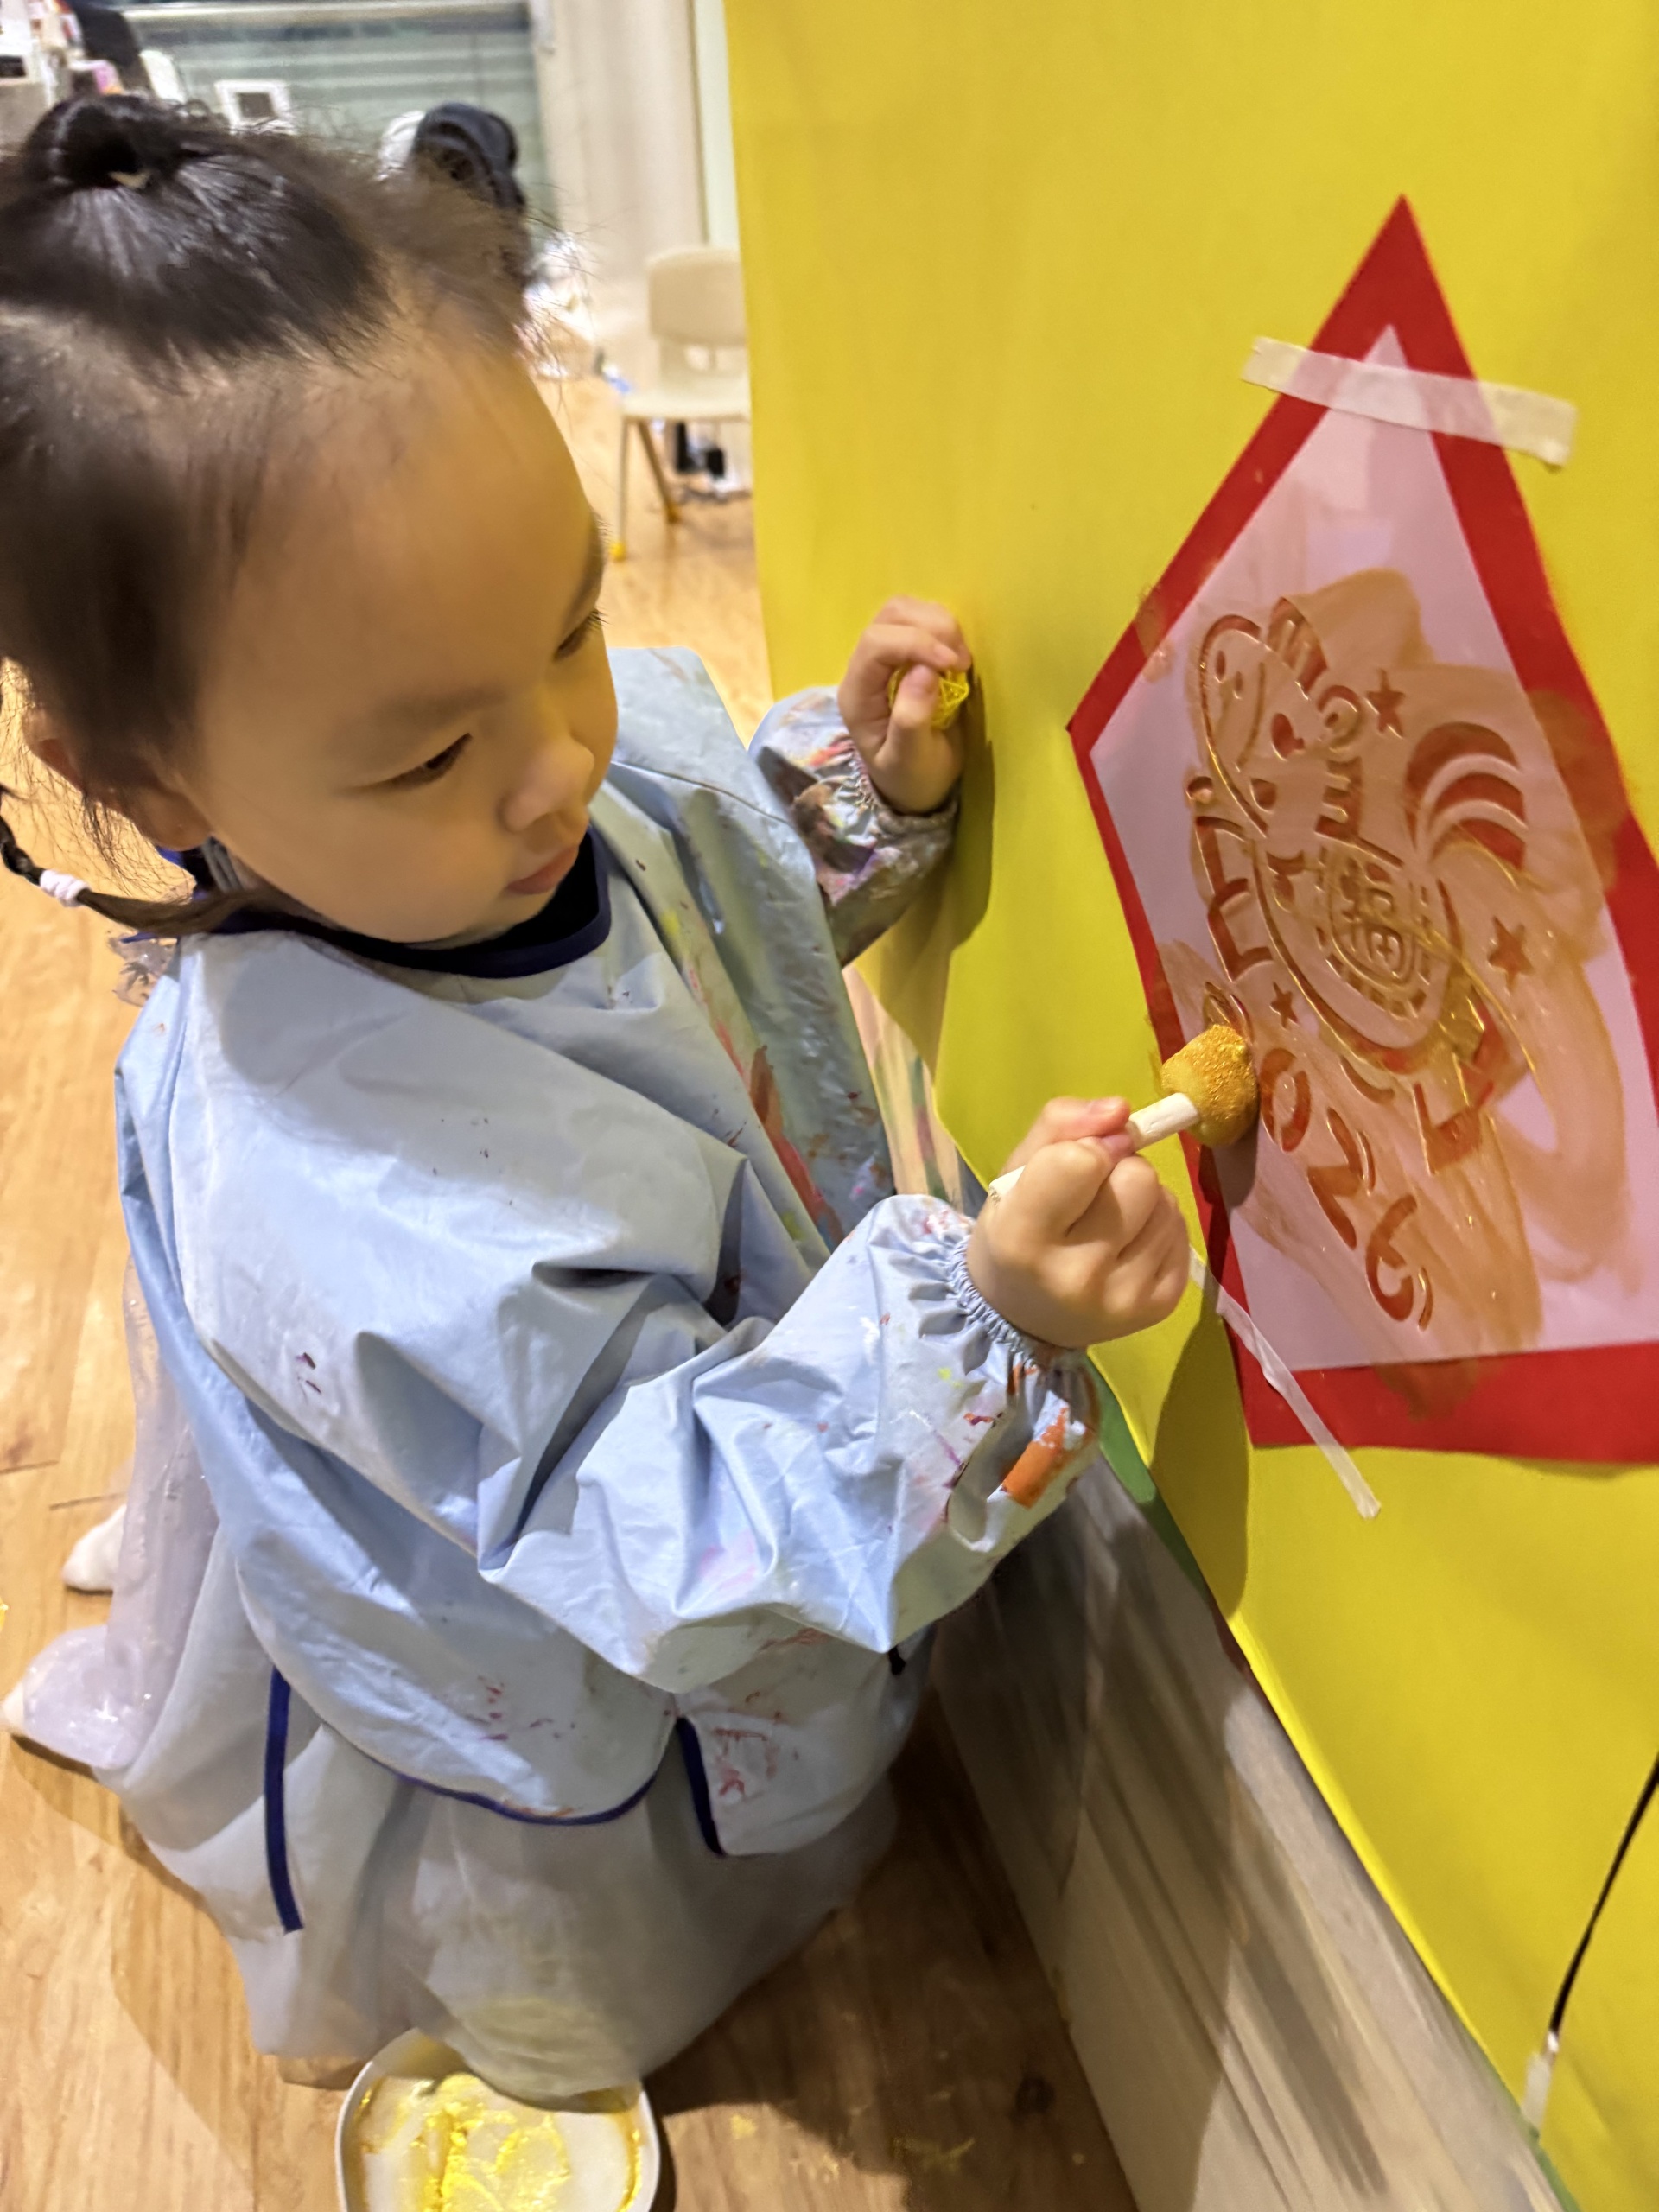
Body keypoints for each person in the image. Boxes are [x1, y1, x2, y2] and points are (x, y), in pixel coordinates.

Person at [0, 96, 1187, 2094]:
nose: (555, 761)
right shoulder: (348, 1188)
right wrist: (984, 1329)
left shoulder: (508, 789)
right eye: (426, 752)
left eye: (572, 627)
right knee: (605, 1897)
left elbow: (695, 895)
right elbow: (655, 1530)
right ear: (155, 779)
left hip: (725, 1457)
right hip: (589, 1622)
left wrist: (853, 795)